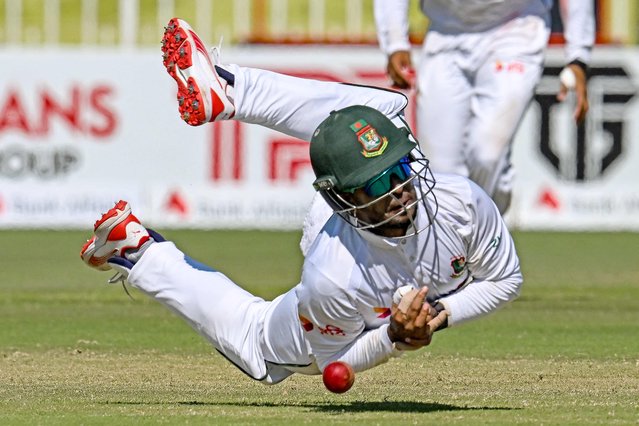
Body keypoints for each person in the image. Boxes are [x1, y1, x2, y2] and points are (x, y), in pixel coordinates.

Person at [80, 18, 523, 385]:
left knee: (386, 110)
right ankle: (137, 249)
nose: (399, 189)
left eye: (401, 170)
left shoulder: (460, 201)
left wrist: (437, 316)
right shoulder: (332, 275)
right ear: (346, 200)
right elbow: (340, 362)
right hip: (332, 315)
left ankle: (234, 90)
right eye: (378, 183)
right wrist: (392, 336)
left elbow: (505, 279)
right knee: (254, 339)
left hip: (367, 253)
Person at [374, 0, 595, 214]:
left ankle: (487, 233)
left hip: (517, 28)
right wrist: (394, 42)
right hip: (445, 32)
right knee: (439, 171)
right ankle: (455, 243)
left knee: (486, 155)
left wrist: (578, 56)